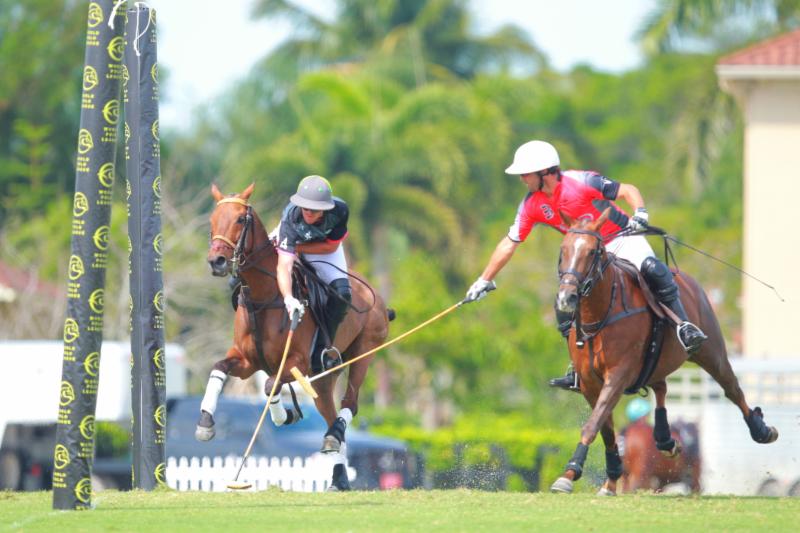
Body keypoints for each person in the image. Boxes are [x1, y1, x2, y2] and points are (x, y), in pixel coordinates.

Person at [464, 140, 707, 391]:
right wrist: (484, 279)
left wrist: (640, 213)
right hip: (586, 254)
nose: (522, 179)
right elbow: (509, 243)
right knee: (563, 302)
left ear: (544, 172)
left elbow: (627, 190)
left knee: (653, 269)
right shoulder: (531, 204)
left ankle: (684, 327)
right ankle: (577, 367)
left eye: (525, 174)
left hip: (622, 238)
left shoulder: (581, 181)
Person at [275, 175, 351, 373]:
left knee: (343, 294)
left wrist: (299, 249)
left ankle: (322, 351)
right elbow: (284, 266)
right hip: (290, 240)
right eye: (305, 208)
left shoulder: (340, 211)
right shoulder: (291, 218)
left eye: (314, 209)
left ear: (325, 208)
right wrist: (288, 298)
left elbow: (330, 247)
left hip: (322, 248)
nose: (308, 212)